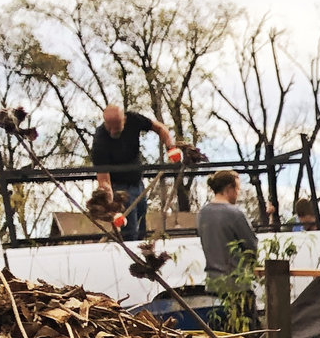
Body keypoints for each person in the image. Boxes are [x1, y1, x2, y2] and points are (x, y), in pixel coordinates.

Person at [89, 103, 178, 241]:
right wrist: (111, 208)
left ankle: (143, 257)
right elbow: (104, 181)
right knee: (129, 232)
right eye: (109, 127)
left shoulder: (134, 120)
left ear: (123, 120)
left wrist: (171, 147)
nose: (112, 131)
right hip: (119, 190)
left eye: (116, 127)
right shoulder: (100, 141)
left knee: (142, 226)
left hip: (138, 183)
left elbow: (159, 128)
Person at [198, 171, 259, 278]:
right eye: (237, 189)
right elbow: (251, 246)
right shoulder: (235, 214)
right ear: (229, 188)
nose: (237, 193)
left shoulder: (202, 213)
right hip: (235, 282)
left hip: (212, 280)